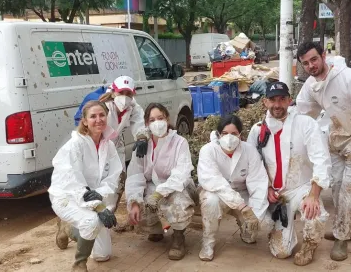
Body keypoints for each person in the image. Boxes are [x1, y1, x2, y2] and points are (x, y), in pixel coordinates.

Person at [247, 81, 331, 266]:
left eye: (282, 99)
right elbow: (253, 166)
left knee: (314, 213)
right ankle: (280, 230)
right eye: (272, 100)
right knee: (282, 253)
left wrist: (313, 195)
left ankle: (309, 245)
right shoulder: (257, 130)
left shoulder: (305, 124)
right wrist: (266, 188)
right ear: (265, 102)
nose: (277, 105)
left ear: (289, 100)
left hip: (301, 187)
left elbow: (321, 159)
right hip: (275, 195)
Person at [49, 101, 122, 272]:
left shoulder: (108, 145)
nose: (98, 120)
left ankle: (69, 229)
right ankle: (79, 264)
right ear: (84, 121)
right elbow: (72, 182)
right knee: (90, 222)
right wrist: (99, 206)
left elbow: (113, 178)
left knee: (102, 255)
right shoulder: (75, 145)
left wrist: (98, 198)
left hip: (93, 197)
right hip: (68, 197)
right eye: (93, 116)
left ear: (107, 116)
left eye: (102, 115)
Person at [296, 41, 351, 261]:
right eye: (305, 63)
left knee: (348, 190)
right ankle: (343, 227)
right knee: (336, 188)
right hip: (335, 141)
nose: (311, 65)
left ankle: (342, 238)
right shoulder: (311, 85)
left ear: (324, 55)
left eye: (314, 59)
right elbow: (301, 109)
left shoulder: (346, 77)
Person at [125, 103, 197, 261]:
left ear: (167, 119)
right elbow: (135, 175)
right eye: (152, 120)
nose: (157, 123)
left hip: (178, 186)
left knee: (178, 203)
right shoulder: (143, 145)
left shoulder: (179, 142)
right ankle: (155, 229)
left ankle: (178, 238)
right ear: (146, 124)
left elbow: (181, 173)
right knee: (140, 205)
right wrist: (135, 201)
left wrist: (159, 194)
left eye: (160, 118)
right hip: (153, 185)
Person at [197, 115, 269, 261]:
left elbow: (258, 181)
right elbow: (213, 181)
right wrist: (241, 206)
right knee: (210, 201)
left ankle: (245, 229)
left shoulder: (249, 151)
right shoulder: (208, 151)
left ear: (240, 135)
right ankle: (208, 242)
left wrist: (255, 213)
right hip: (216, 193)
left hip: (242, 193)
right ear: (218, 134)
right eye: (224, 133)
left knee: (260, 226)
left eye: (234, 133)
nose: (229, 138)